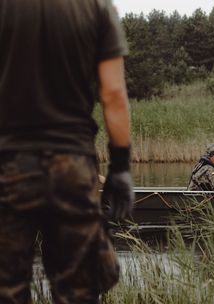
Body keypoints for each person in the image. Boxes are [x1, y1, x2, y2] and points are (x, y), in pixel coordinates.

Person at [0, 1, 133, 303]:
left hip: (8, 165)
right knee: (79, 290)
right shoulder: (97, 7)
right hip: (73, 166)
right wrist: (121, 167)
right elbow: (113, 94)